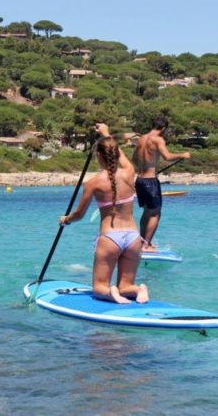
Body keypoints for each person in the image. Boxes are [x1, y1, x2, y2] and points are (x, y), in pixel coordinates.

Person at [59, 123, 149, 304]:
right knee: (126, 286)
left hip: (110, 238)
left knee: (99, 287)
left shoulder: (93, 183)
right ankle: (138, 289)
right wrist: (106, 134)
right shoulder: (129, 173)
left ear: (98, 156)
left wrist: (66, 219)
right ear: (116, 153)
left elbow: (79, 214)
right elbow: (120, 157)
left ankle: (110, 293)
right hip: (133, 238)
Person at [132, 117, 191, 252]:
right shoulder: (158, 139)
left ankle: (142, 243)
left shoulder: (142, 138)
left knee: (147, 211)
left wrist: (145, 168)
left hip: (140, 179)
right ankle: (146, 245)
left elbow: (134, 158)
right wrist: (183, 154)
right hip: (150, 182)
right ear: (163, 128)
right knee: (155, 213)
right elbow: (167, 156)